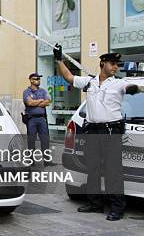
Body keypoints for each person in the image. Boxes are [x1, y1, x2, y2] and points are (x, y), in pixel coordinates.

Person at [54, 44, 139, 221]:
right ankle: (95, 204)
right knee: (92, 169)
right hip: (92, 131)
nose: (116, 67)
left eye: (117, 64)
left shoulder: (119, 83)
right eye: (113, 64)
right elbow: (69, 77)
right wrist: (58, 60)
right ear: (102, 64)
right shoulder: (89, 82)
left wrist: (133, 89)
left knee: (113, 171)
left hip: (111, 132)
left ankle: (117, 207)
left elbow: (130, 87)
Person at [22, 73, 51, 160]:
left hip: (42, 118)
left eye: (39, 79)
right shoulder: (26, 92)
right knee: (31, 140)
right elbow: (29, 103)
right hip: (31, 119)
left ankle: (47, 160)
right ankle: (31, 160)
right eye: (36, 78)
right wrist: (40, 100)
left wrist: (35, 102)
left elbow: (48, 102)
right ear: (31, 80)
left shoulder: (43, 91)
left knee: (45, 140)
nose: (38, 80)